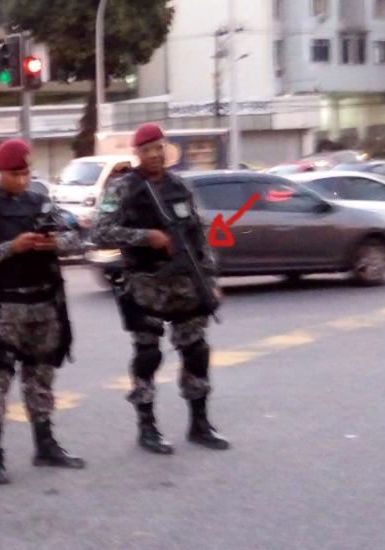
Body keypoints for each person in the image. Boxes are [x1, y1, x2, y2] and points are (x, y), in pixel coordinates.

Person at [91, 123, 230, 454]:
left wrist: (210, 280)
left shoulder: (179, 186)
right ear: (137, 153)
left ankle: (199, 423)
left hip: (185, 283)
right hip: (145, 283)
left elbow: (199, 236)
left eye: (159, 148)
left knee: (196, 351)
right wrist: (145, 237)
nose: (154, 154)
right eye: (147, 149)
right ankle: (147, 426)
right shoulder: (123, 188)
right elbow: (99, 232)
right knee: (148, 355)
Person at [0, 139, 86, 485]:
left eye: (26, 173)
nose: (23, 180)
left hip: (43, 305)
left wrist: (53, 243)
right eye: (15, 174)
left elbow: (77, 238)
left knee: (41, 379)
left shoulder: (39, 200)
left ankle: (45, 445)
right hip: (3, 309)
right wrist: (11, 247)